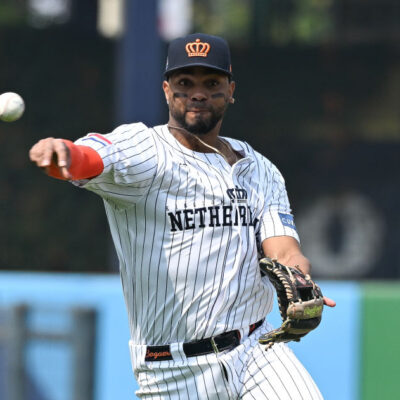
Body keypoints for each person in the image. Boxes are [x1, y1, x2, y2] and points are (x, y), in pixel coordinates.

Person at [29, 33, 335, 399]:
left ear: (231, 90)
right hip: (172, 370)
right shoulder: (145, 150)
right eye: (185, 83)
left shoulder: (259, 169)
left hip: (256, 350)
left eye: (212, 83)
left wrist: (299, 276)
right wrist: (62, 152)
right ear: (166, 89)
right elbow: (89, 158)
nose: (198, 93)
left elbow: (283, 249)